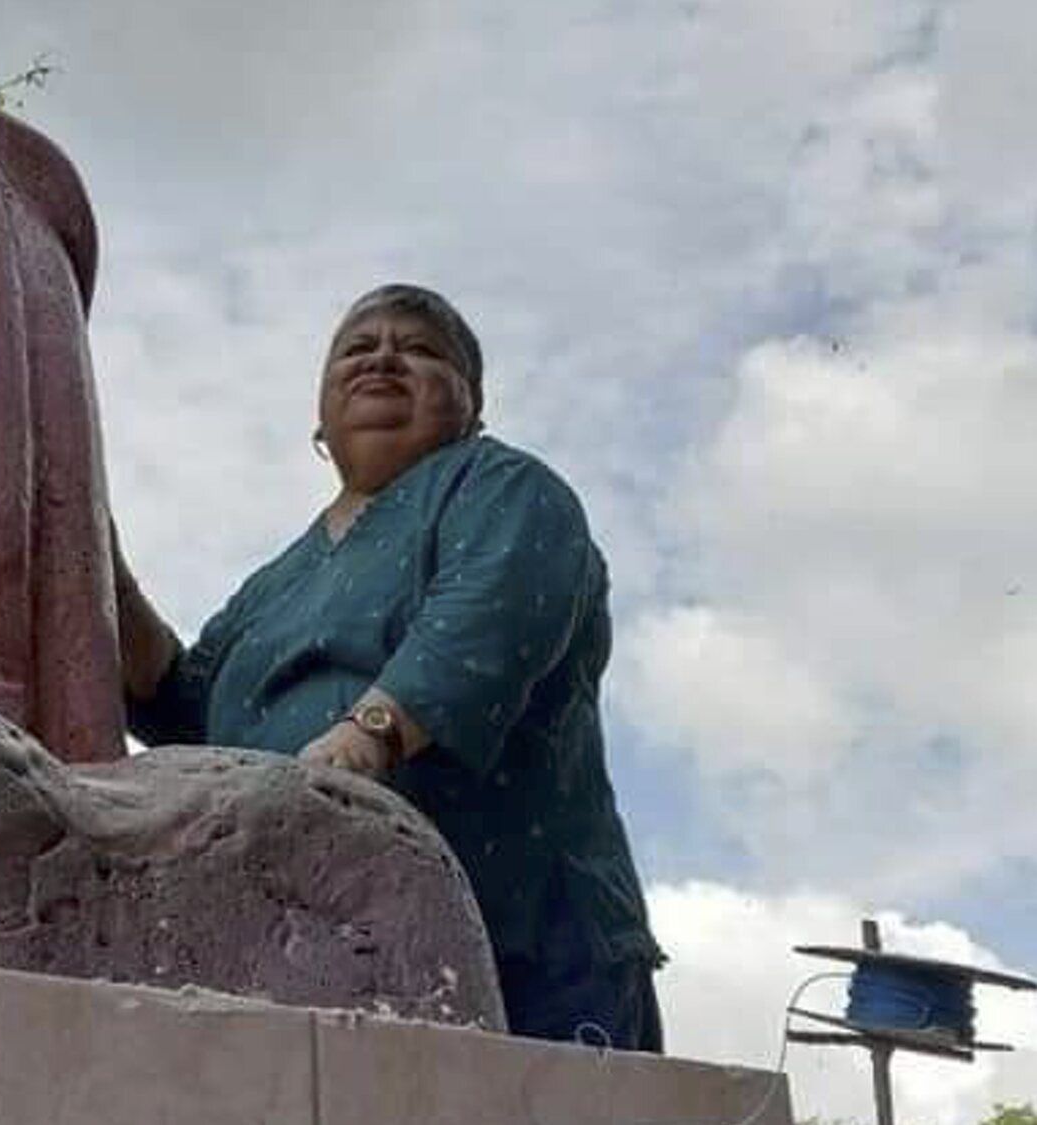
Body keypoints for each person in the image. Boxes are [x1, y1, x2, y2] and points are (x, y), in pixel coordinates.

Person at [113, 283, 664, 1050]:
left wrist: (359, 742)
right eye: (357, 346)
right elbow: (183, 705)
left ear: (471, 404)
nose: (382, 357)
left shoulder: (500, 487)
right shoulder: (273, 586)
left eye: (420, 348)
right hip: (303, 944)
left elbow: (485, 618)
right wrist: (99, 568)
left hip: (524, 943)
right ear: (319, 417)